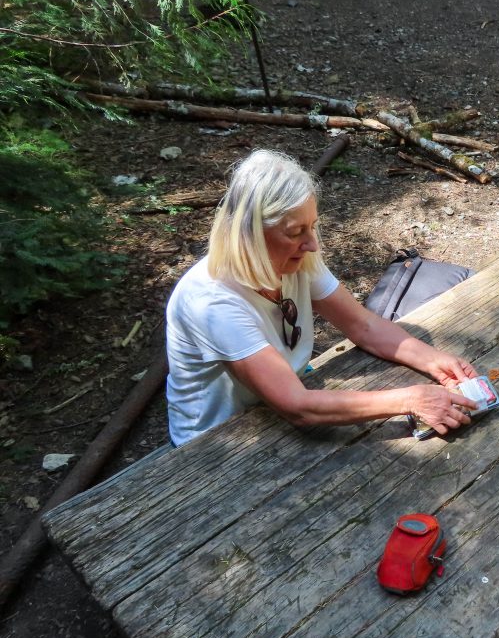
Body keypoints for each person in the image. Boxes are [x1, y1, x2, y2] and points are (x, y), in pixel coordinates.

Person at [165, 149, 479, 447]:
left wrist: (435, 360)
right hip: (218, 441)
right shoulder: (211, 301)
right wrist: (410, 400)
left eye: (312, 227)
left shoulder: (294, 261)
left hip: (279, 408)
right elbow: (297, 406)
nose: (312, 244)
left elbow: (364, 326)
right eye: (295, 231)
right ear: (248, 234)